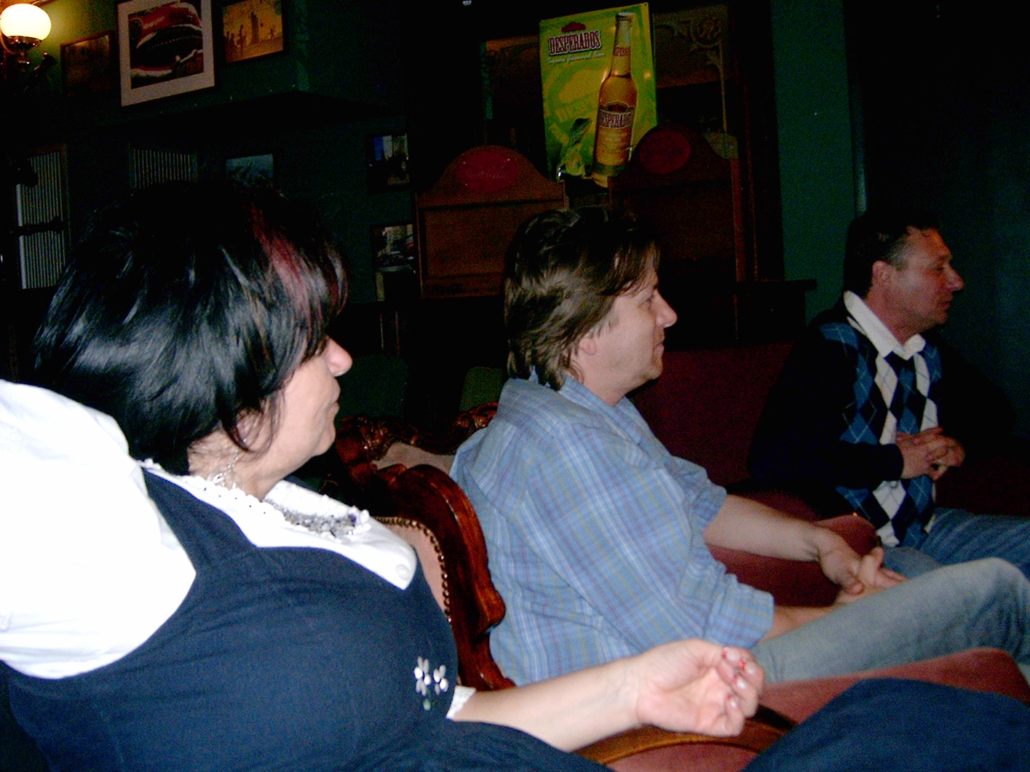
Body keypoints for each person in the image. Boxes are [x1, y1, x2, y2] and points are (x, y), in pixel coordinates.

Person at [3, 183, 1029, 772]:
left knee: (942, 723)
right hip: (648, 738)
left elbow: (437, 718)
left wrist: (629, 683)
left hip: (567, 725)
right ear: (219, 362)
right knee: (989, 612)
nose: (346, 359)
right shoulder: (117, 548)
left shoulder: (294, 509)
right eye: (315, 338)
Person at [451, 207, 1030, 688]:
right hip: (694, 700)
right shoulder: (568, 453)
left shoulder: (579, 411)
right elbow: (704, 628)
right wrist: (839, 617)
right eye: (648, 299)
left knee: (991, 646)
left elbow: (701, 501)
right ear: (583, 332)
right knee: (994, 591)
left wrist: (821, 543)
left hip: (702, 664)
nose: (669, 315)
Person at [748, 207, 1030, 579]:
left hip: (925, 527)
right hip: (858, 543)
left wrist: (957, 445)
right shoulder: (831, 348)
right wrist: (894, 461)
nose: (956, 282)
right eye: (938, 268)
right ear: (883, 274)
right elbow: (774, 460)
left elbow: (996, 412)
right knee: (941, 588)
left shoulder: (925, 346)